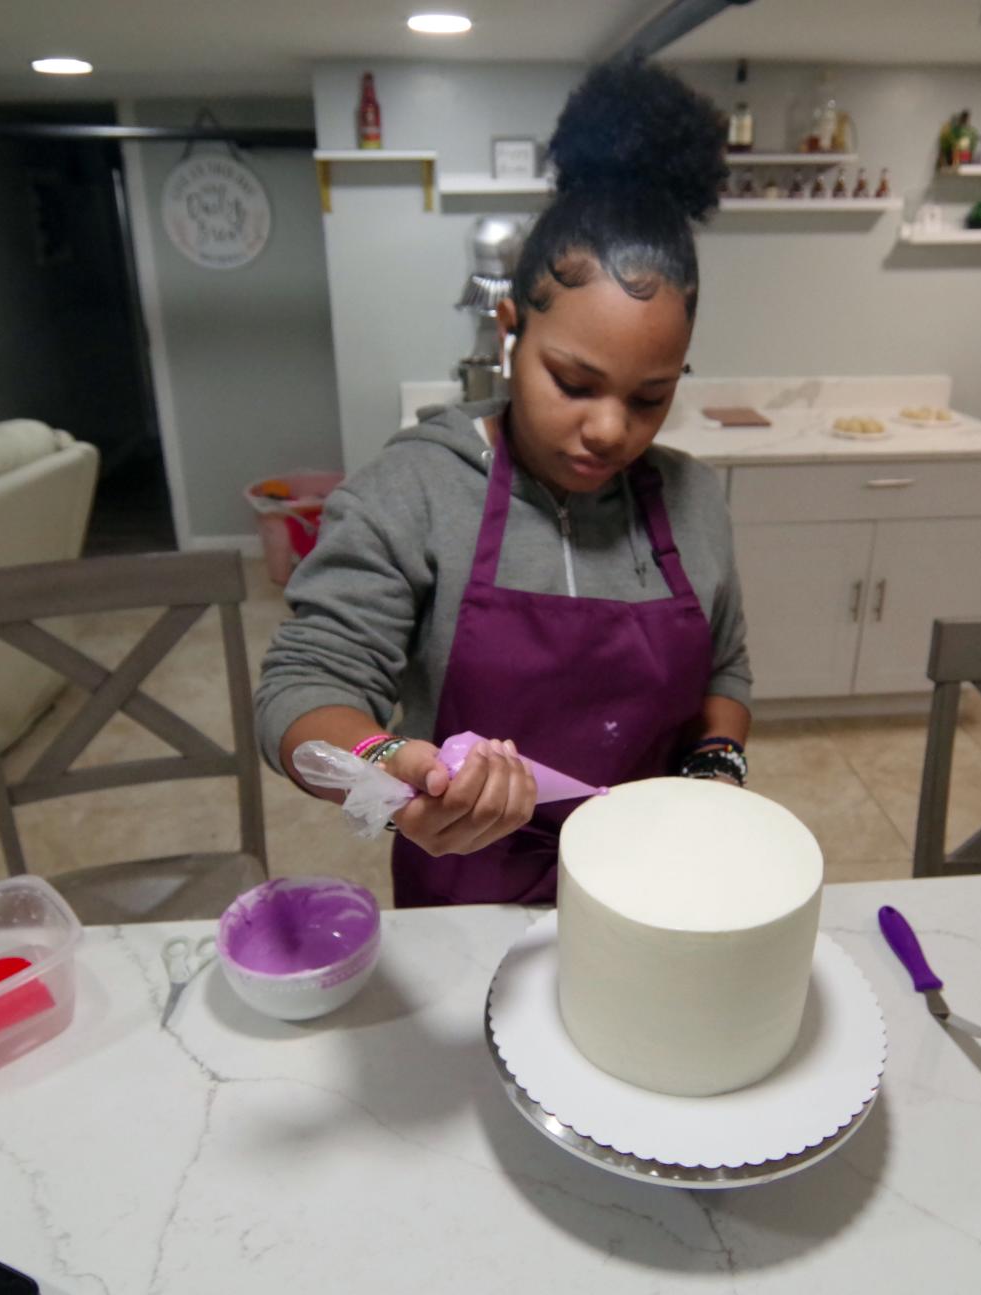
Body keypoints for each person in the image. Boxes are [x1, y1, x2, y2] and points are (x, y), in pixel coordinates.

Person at [255, 59, 752, 907]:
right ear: (511, 330)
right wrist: (388, 771)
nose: (609, 429)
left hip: (653, 895)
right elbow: (300, 693)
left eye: (650, 398)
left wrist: (717, 762)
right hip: (464, 905)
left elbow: (727, 672)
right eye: (574, 382)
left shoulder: (693, 500)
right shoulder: (415, 491)